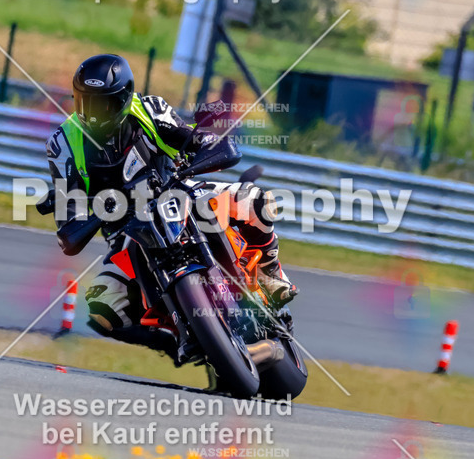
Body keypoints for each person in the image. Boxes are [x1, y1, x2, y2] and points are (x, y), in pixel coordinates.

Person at [45, 54, 298, 352]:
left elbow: (193, 139)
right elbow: (67, 215)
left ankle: (270, 274)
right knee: (102, 309)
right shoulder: (62, 143)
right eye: (88, 103)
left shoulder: (149, 109)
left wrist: (206, 148)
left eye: (105, 103)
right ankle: (175, 338)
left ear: (125, 97)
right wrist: (80, 220)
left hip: (179, 192)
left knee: (253, 199)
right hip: (125, 233)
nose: (97, 113)